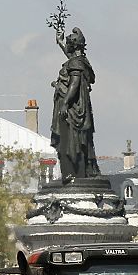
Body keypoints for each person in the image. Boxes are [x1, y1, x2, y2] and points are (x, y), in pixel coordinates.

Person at [51, 26, 100, 183]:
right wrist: (60, 42)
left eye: (68, 43)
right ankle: (82, 169)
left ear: (74, 45)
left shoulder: (76, 64)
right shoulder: (81, 61)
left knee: (72, 141)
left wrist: (65, 103)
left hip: (74, 109)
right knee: (79, 140)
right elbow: (73, 58)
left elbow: (74, 84)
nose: (68, 46)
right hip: (79, 107)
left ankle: (73, 171)